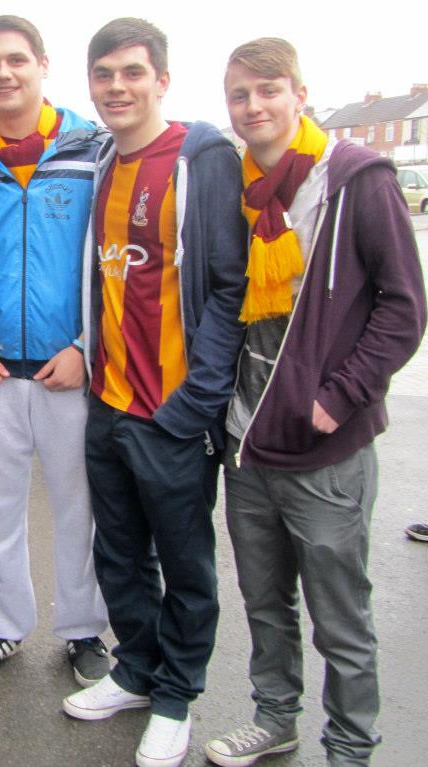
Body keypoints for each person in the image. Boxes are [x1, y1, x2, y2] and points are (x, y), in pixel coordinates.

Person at [203, 38, 426, 767]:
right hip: (247, 437)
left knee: (340, 616)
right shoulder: (238, 187)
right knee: (265, 603)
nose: (253, 106)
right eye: (239, 94)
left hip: (325, 446)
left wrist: (341, 396)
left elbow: (404, 307)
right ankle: (276, 718)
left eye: (268, 90)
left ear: (300, 95)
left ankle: (350, 747)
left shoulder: (356, 180)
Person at [60, 18, 248, 767]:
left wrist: (196, 402)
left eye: (133, 72)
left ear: (162, 80)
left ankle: (177, 695)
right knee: (120, 554)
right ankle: (137, 670)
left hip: (171, 413)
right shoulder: (104, 161)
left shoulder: (202, 158)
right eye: (104, 74)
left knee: (186, 562)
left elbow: (229, 288)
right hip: (108, 405)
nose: (117, 87)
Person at [0, 15, 110, 686]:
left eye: (16, 59)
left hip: (73, 370)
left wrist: (85, 345)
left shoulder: (93, 151)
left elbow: (112, 263)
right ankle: (3, 626)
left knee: (80, 511)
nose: (3, 73)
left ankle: (85, 630)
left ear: (42, 64)